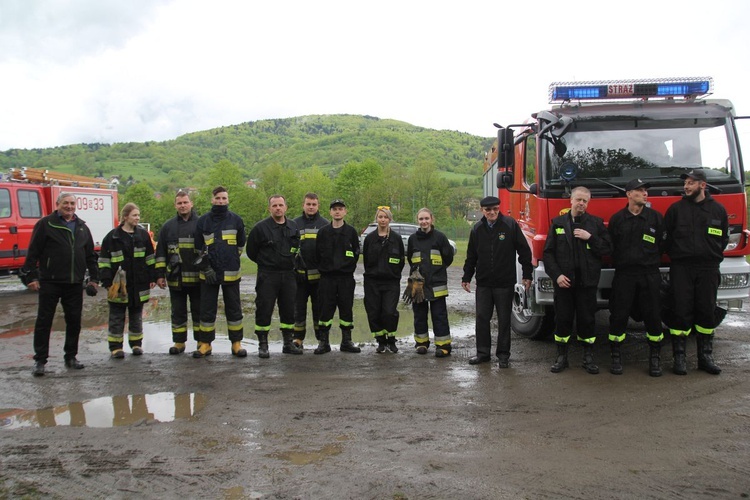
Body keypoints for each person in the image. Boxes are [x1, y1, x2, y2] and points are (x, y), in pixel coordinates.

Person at [21, 192, 99, 376]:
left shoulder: (81, 227)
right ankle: (40, 361)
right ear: (58, 204)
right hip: (50, 282)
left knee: (74, 321)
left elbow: (90, 256)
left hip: (74, 283)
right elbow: (33, 252)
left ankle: (71, 357)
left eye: (72, 203)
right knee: (44, 321)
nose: (69, 206)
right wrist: (31, 277)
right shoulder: (46, 224)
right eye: (66, 203)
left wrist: (94, 279)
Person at [664, 168, 728, 375]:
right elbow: (667, 238)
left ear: (702, 185)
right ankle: (679, 358)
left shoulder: (718, 210)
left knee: (706, 311)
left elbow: (723, 239)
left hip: (708, 268)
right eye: (685, 183)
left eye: (691, 183)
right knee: (680, 312)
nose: (686, 186)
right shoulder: (675, 210)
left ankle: (705, 357)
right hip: (682, 268)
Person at [543, 186, 612, 374]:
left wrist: (590, 238)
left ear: (588, 203)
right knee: (562, 320)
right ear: (570, 201)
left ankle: (588, 357)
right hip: (564, 284)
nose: (581, 203)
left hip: (587, 284)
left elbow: (607, 249)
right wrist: (557, 276)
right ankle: (561, 357)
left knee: (587, 320)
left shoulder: (596, 224)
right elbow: (548, 254)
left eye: (585, 201)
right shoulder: (557, 224)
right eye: (578, 200)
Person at [461, 196, 532, 367]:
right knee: (482, 318)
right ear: (482, 211)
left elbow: (524, 251)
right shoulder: (477, 229)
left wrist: (527, 274)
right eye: (488, 210)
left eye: (495, 209)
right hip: (484, 283)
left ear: (499, 209)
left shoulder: (510, 225)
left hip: (504, 283)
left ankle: (503, 356)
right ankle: (483, 353)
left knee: (504, 320)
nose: (492, 212)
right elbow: (471, 256)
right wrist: (466, 277)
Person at [608, 179, 665, 376]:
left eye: (646, 191)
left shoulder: (656, 218)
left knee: (653, 316)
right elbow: (611, 246)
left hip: (649, 275)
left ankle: (655, 358)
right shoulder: (617, 219)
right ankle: (616, 357)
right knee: (618, 315)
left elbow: (663, 245)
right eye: (640, 191)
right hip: (625, 275)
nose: (645, 194)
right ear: (629, 194)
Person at [193, 186, 247, 358]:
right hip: (208, 274)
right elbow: (198, 247)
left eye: (224, 198)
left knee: (234, 309)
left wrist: (230, 259)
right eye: (218, 198)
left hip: (231, 272)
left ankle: (236, 344)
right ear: (212, 200)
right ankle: (205, 344)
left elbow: (240, 245)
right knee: (207, 310)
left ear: (228, 200)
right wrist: (206, 268)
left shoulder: (236, 220)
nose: (221, 201)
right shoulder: (203, 221)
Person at [247, 194, 302, 358]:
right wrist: (266, 262)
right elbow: (251, 252)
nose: (278, 208)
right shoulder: (260, 228)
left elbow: (296, 248)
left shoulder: (293, 227)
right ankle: (263, 344)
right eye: (274, 206)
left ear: (286, 207)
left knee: (289, 309)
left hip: (288, 274)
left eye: (280, 205)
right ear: (269, 208)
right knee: (264, 308)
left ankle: (288, 343)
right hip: (268, 275)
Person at [99, 203, 157, 358]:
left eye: (138, 215)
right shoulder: (112, 237)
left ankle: (136, 345)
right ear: (125, 217)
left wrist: (152, 277)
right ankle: (116, 348)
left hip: (139, 283)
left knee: (136, 316)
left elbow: (150, 258)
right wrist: (106, 281)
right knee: (117, 316)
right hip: (119, 285)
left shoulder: (143, 236)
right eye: (134, 215)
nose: (137, 218)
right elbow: (104, 261)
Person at [155, 190, 201, 355]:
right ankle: (179, 342)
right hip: (176, 279)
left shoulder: (201, 224)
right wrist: (160, 275)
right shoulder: (168, 226)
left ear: (191, 203)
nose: (183, 206)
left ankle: (202, 343)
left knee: (199, 313)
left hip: (197, 279)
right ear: (175, 205)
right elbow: (161, 252)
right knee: (178, 312)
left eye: (185, 202)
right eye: (179, 203)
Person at [313, 199, 360, 354]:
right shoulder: (323, 232)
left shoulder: (351, 232)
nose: (337, 211)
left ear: (345, 211)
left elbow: (356, 253)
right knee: (325, 310)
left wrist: (347, 267)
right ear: (330, 212)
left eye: (340, 209)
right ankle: (323, 342)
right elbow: (317, 255)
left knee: (346, 309)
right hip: (327, 279)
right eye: (335, 209)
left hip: (346, 279)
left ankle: (346, 341)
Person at [407, 208, 455, 357]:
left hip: (436, 283)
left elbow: (448, 257)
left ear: (432, 219)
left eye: (426, 218)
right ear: (418, 221)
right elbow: (410, 258)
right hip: (417, 283)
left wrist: (437, 271)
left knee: (439, 315)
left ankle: (443, 345)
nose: (424, 221)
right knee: (419, 315)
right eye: (421, 219)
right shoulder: (412, 239)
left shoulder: (440, 237)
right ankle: (421, 343)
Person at [362, 206, 405, 353]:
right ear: (376, 219)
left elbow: (401, 261)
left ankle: (391, 340)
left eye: (385, 217)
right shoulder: (370, 239)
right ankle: (381, 341)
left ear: (389, 219)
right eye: (380, 217)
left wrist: (393, 273)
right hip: (372, 282)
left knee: (389, 312)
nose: (382, 219)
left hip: (391, 282)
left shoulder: (396, 239)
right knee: (374, 312)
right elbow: (366, 260)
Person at [292, 193, 329, 349]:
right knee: (298, 309)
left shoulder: (325, 225)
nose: (311, 207)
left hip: (319, 277)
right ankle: (298, 339)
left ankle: (321, 339)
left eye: (314, 204)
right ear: (303, 205)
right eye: (308, 204)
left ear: (318, 205)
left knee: (319, 309)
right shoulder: (294, 224)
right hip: (298, 277)